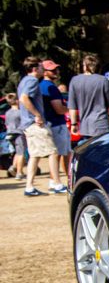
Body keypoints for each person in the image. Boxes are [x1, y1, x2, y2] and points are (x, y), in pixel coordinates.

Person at [18, 57, 62, 196]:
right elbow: (24, 98)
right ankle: (57, 184)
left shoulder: (24, 81)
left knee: (35, 155)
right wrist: (37, 115)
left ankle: (29, 187)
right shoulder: (32, 81)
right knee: (53, 152)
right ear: (35, 69)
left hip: (28, 124)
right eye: (41, 67)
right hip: (35, 124)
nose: (43, 70)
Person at [68, 54, 109, 140]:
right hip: (101, 125)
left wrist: (73, 124)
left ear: (85, 66)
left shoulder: (74, 81)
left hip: (85, 127)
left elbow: (72, 107)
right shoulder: (103, 80)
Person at [40, 60, 71, 184]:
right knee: (62, 153)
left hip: (50, 123)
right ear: (44, 72)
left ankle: (54, 180)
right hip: (57, 124)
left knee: (57, 154)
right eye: (52, 70)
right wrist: (70, 109)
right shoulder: (51, 87)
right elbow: (59, 109)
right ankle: (60, 181)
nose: (56, 71)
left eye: (56, 69)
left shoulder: (40, 86)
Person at [4, 93, 26, 179]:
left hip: (10, 134)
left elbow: (7, 123)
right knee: (21, 153)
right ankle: (19, 172)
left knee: (17, 152)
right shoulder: (20, 112)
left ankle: (13, 167)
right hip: (19, 134)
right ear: (17, 101)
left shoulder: (7, 112)